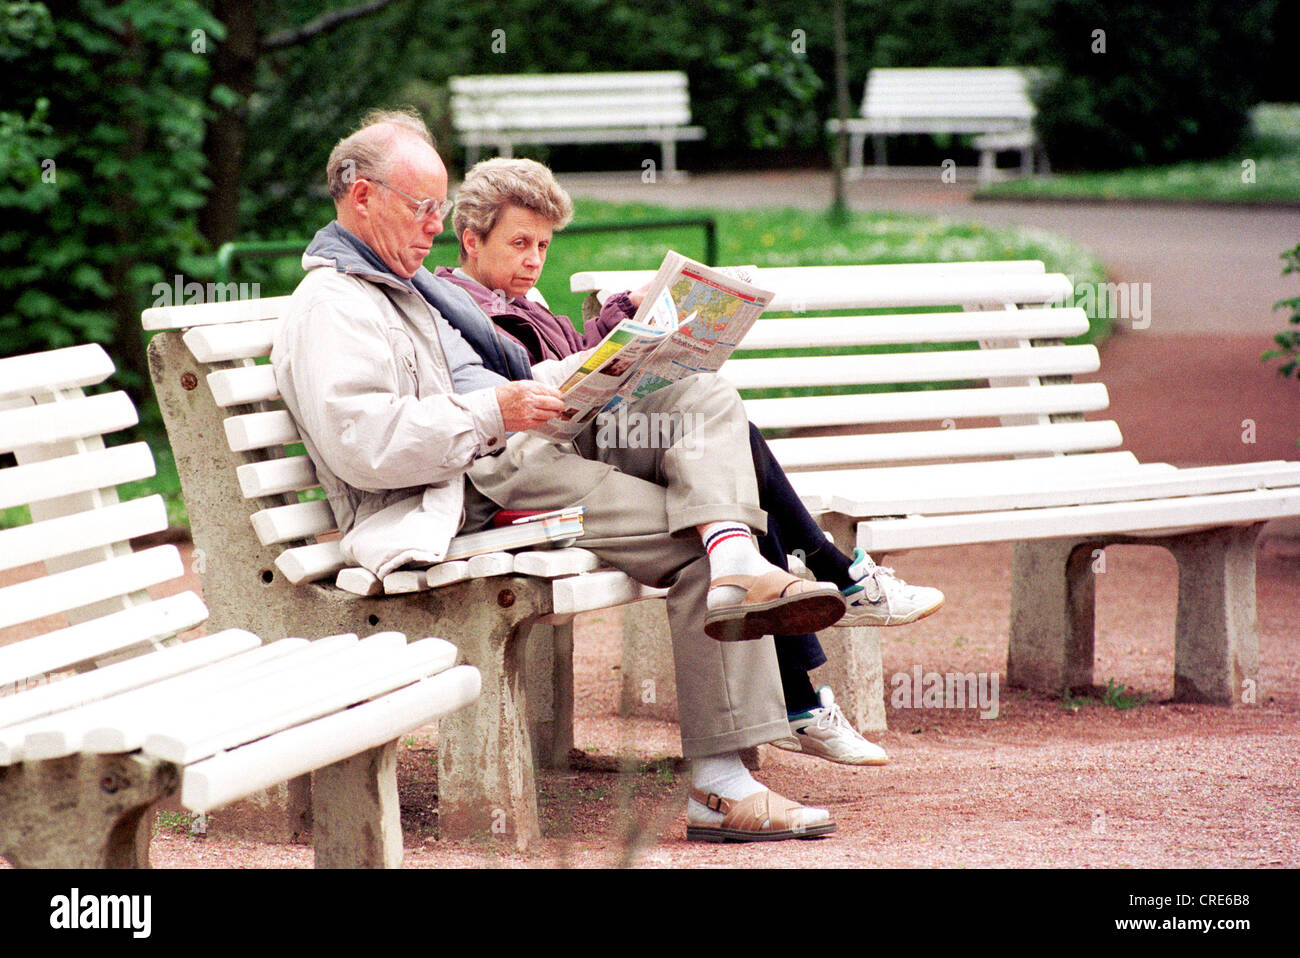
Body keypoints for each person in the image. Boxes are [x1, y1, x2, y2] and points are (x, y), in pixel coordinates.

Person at [272, 108, 849, 843]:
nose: (433, 226)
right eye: (422, 208)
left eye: (439, 209)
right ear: (360, 197)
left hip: (514, 454)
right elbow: (364, 446)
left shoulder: (402, 283)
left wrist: (601, 370)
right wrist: (492, 414)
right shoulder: (334, 304)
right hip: (459, 493)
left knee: (701, 398)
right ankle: (721, 784)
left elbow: (490, 378)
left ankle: (735, 549)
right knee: (692, 548)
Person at [434, 156, 946, 766]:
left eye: (543, 244)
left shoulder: (527, 299)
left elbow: (581, 360)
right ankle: (824, 617)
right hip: (528, 468)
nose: (534, 258)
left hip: (586, 440)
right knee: (725, 491)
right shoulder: (448, 309)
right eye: (519, 243)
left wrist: (635, 319)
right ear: (471, 239)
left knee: (714, 417)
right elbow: (497, 400)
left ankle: (803, 660)